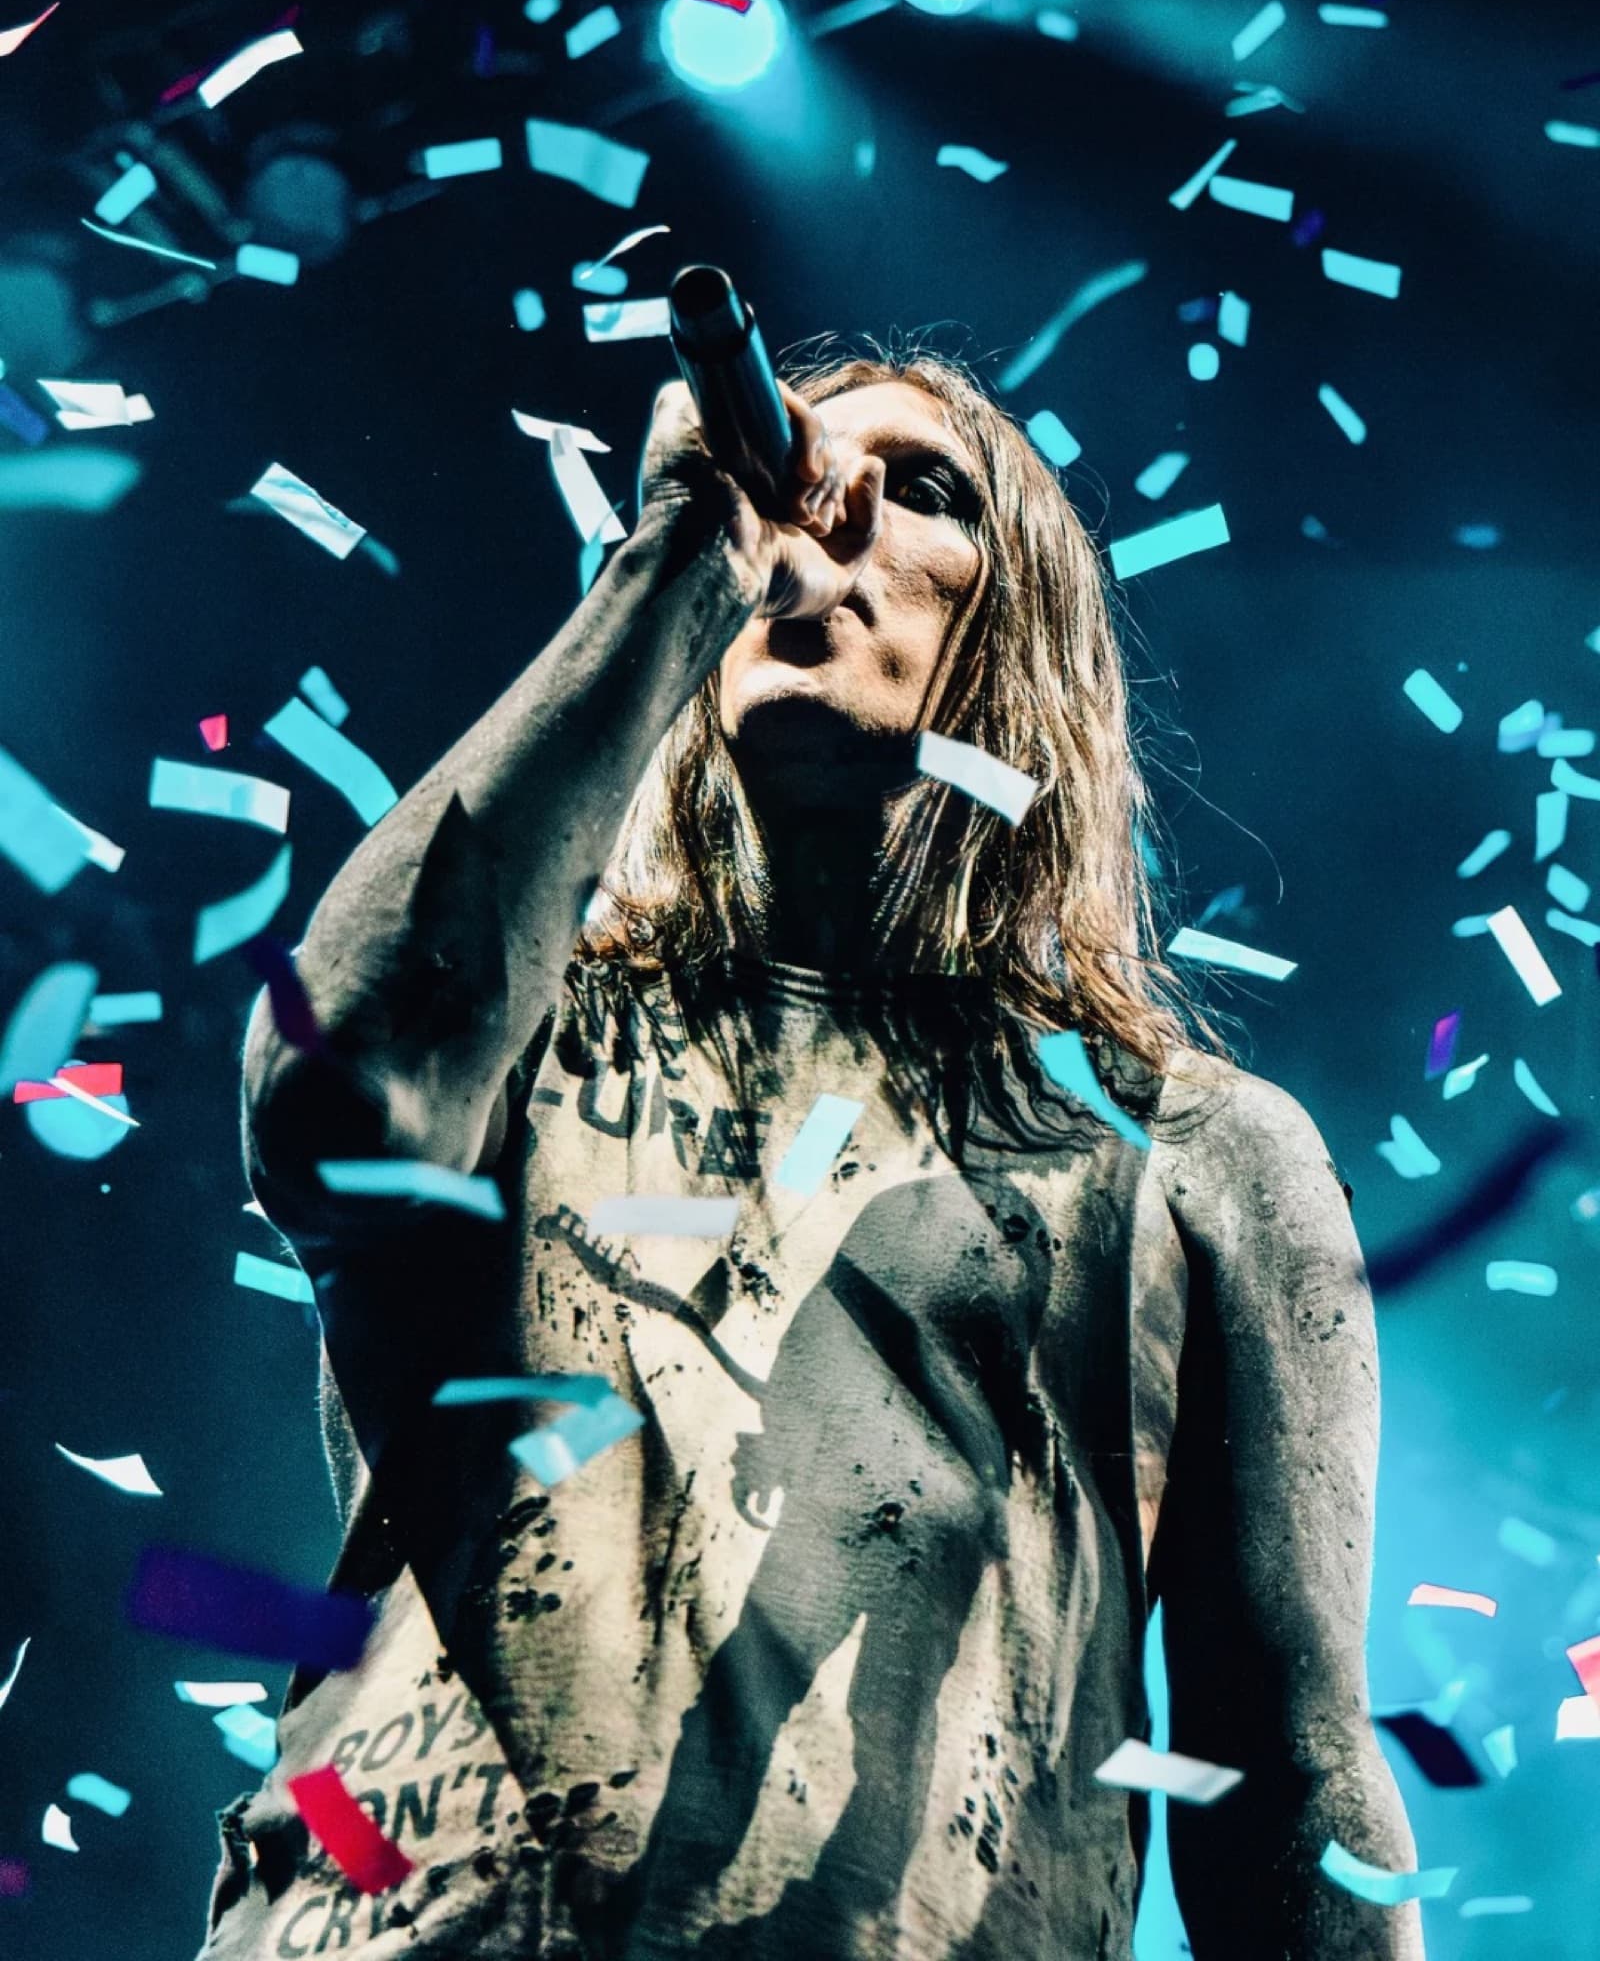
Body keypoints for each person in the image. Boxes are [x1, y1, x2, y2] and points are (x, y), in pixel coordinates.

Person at [200, 346, 1424, 1960]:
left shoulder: (1196, 1149)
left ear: (1022, 631)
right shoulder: (518, 1021)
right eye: (797, 469)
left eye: (920, 487)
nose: (824, 511)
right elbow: (331, 1098)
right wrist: (676, 555)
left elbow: (1291, 1771)